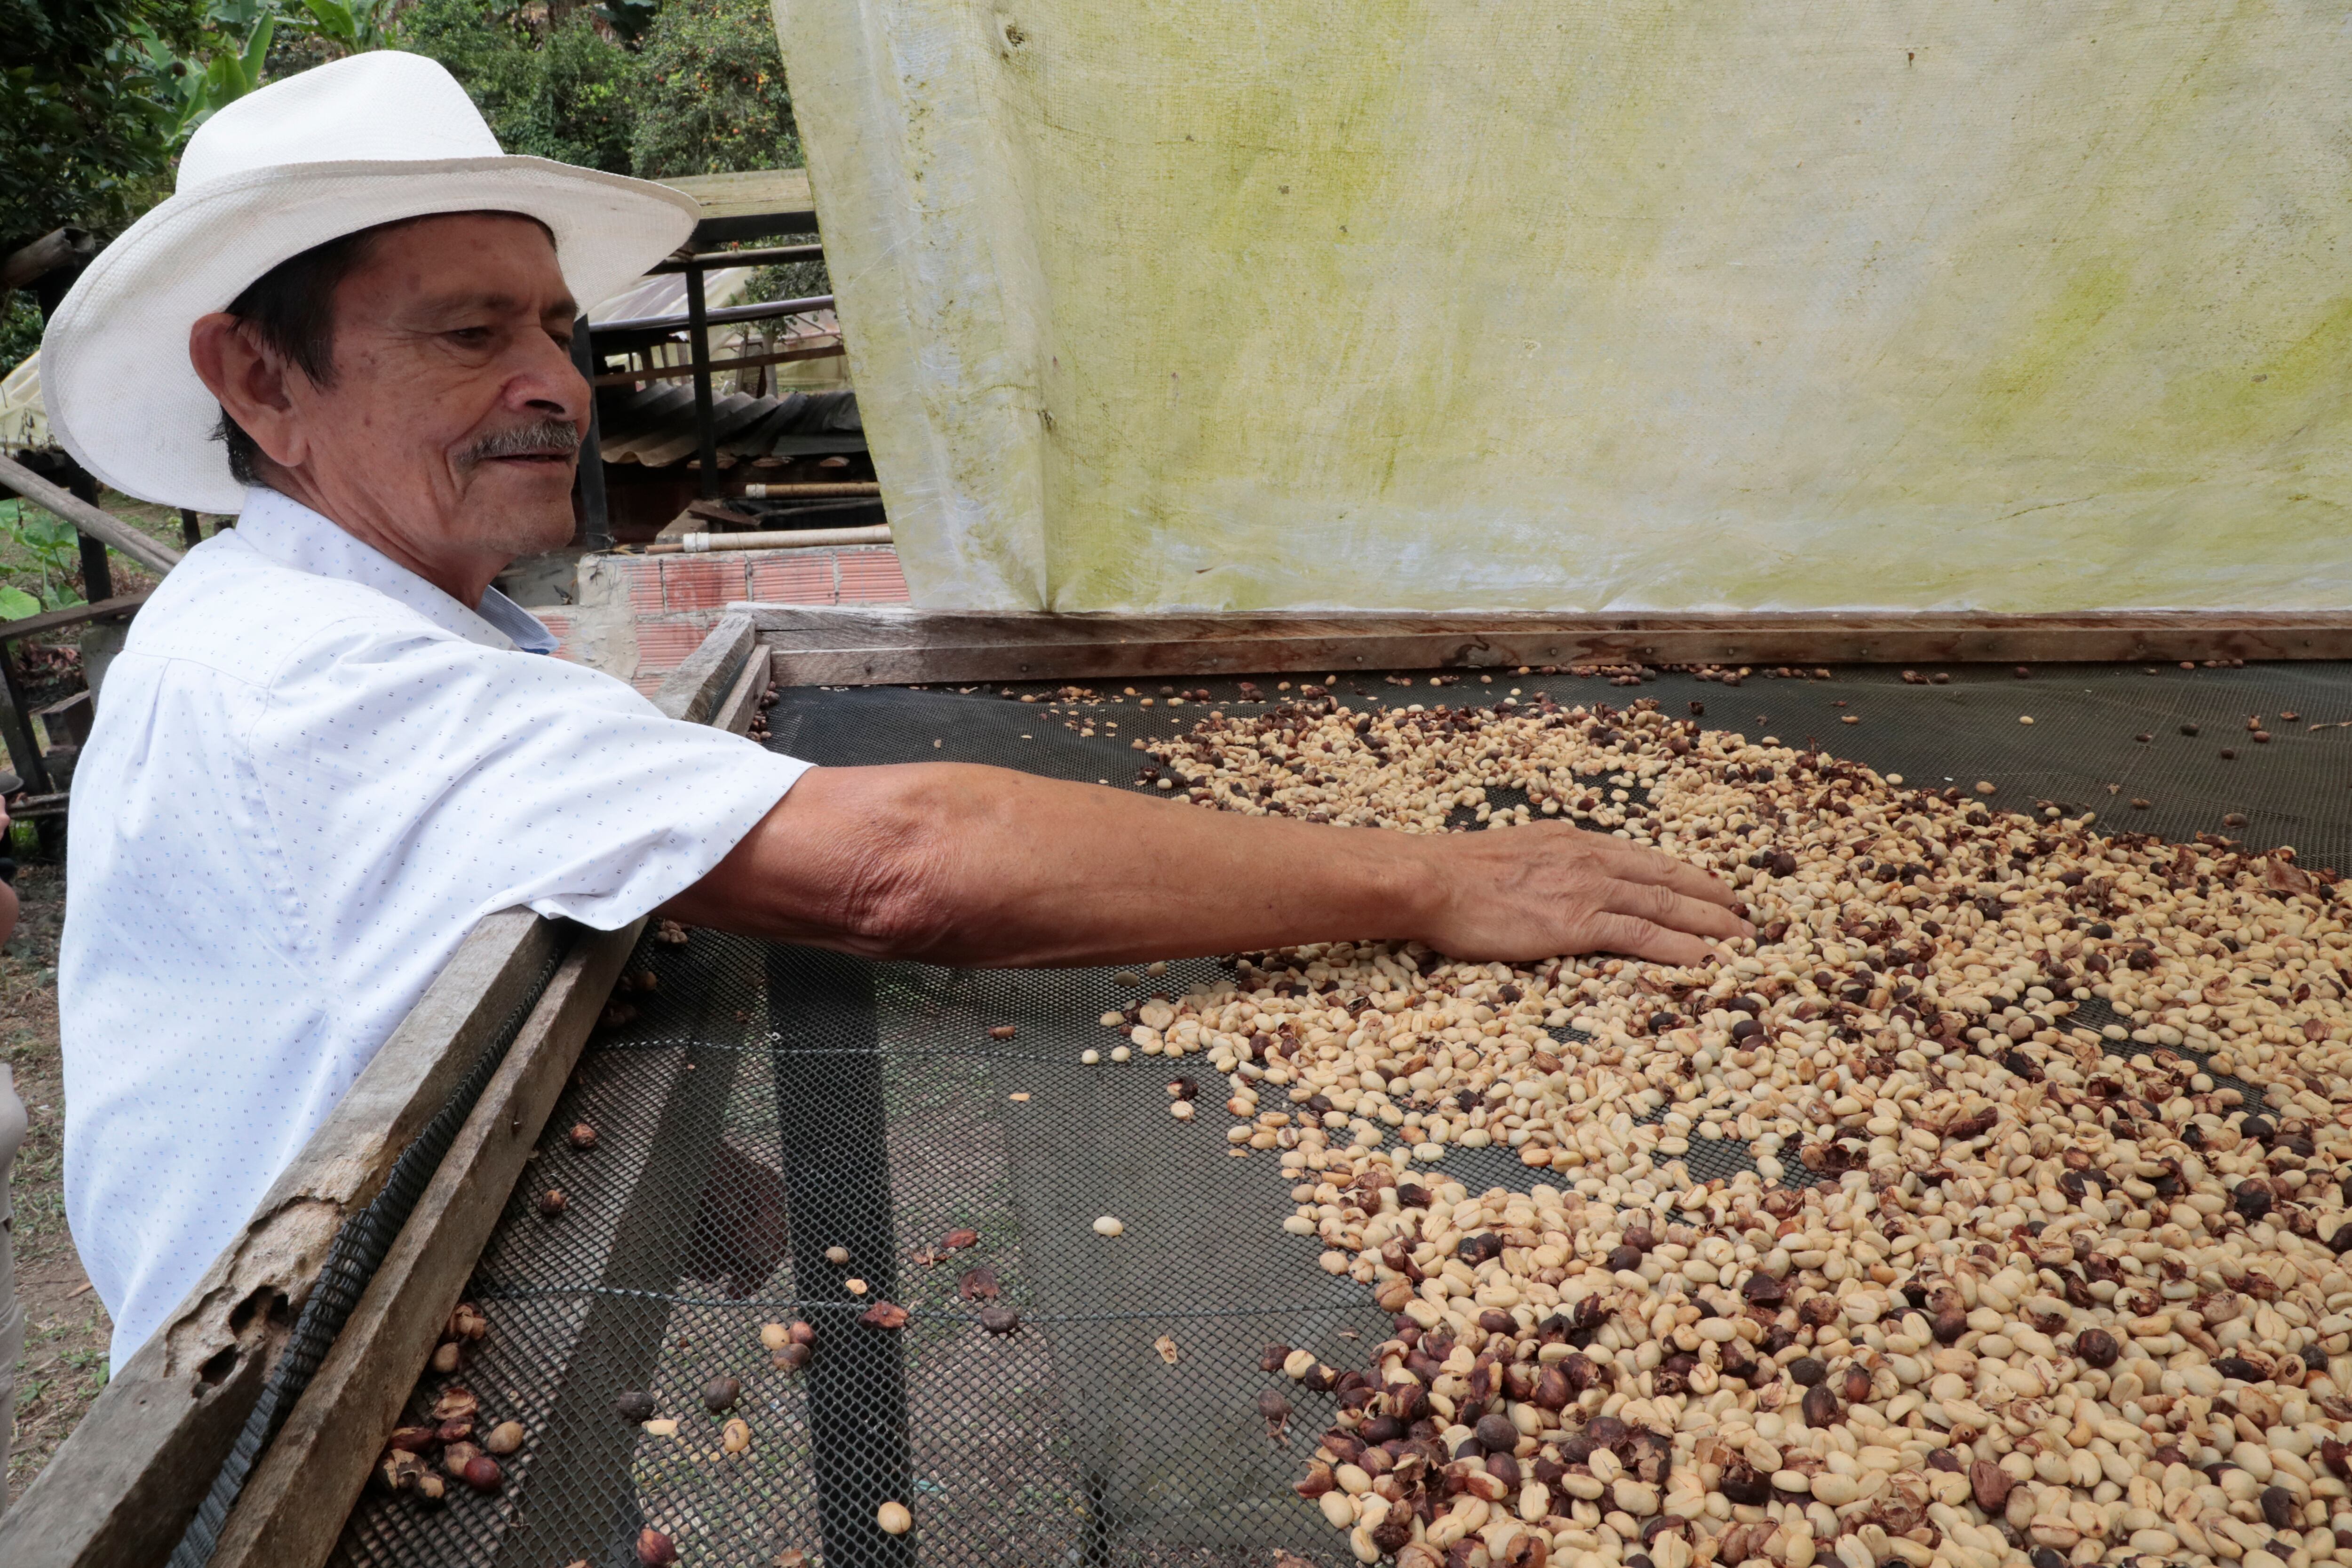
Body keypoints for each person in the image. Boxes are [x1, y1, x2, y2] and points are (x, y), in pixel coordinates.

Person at [40, 52, 1745, 1371]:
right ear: (261, 383)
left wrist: (688, 1188)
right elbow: (903, 865)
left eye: (557, 327)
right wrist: (1435, 883)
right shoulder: (302, 668)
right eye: (469, 333)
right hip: (272, 1412)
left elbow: (390, 948)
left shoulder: (355, 623)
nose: (557, 382)